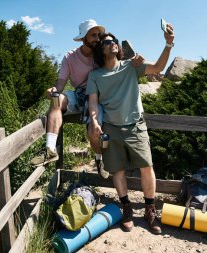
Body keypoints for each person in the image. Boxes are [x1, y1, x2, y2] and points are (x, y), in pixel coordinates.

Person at [86, 23, 174, 234]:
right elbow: (93, 102)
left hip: (136, 126)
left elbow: (158, 68)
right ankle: (126, 208)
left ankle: (150, 210)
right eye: (107, 42)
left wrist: (169, 43)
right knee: (117, 170)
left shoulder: (131, 66)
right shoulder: (95, 76)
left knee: (147, 167)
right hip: (112, 128)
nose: (112, 43)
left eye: (114, 41)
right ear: (101, 49)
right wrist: (95, 121)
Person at [30, 19, 141, 179]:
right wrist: (52, 91)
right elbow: (60, 84)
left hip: (97, 96)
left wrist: (135, 61)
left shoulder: (101, 55)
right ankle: (50, 149)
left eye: (98, 35)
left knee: (92, 132)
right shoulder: (70, 57)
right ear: (84, 38)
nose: (97, 38)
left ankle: (99, 159)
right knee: (57, 100)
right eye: (93, 35)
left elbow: (117, 62)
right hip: (78, 94)